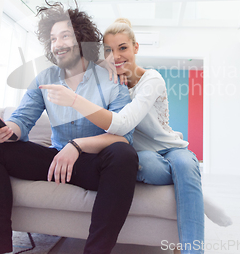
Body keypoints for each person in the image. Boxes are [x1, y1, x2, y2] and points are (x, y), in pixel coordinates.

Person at [42, 18, 230, 254]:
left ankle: (193, 249)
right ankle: (196, 194)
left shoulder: (151, 79)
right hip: (143, 154)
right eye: (109, 50)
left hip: (171, 148)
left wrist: (74, 100)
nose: (117, 56)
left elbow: (122, 124)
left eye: (123, 48)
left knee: (184, 165)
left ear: (136, 48)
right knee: (143, 165)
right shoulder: (110, 84)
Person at [0, 4, 138, 254]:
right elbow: (22, 119)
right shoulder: (44, 78)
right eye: (52, 39)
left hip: (93, 164)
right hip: (57, 161)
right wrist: (7, 130)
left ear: (81, 38)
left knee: (124, 156)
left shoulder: (110, 79)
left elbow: (123, 136)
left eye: (65, 36)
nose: (57, 44)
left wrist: (77, 146)